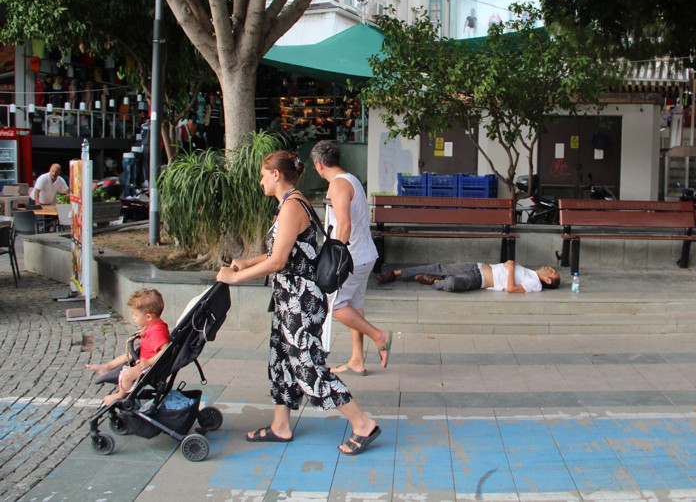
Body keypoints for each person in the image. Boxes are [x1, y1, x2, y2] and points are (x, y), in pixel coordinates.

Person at [216, 151, 381, 456]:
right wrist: (246, 263)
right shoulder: (289, 203)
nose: (261, 181)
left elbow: (278, 261)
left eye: (263, 175)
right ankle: (281, 425)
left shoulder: (292, 205)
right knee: (281, 359)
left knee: (307, 364)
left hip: (300, 300)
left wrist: (235, 278)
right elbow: (281, 251)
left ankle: (363, 423)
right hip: (288, 297)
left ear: (276, 175)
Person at [311, 140, 392, 377]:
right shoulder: (351, 179)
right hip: (364, 254)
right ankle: (357, 360)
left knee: (333, 305)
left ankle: (379, 336)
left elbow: (344, 224)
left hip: (352, 257)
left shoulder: (338, 184)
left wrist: (336, 257)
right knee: (354, 307)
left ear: (319, 165)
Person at [86, 289, 171, 406]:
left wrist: (149, 362)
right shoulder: (153, 325)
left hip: (151, 367)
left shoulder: (157, 331)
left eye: (136, 315)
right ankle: (106, 367)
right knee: (130, 354)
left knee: (127, 375)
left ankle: (120, 396)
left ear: (148, 317)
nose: (133, 317)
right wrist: (143, 333)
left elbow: (166, 349)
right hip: (144, 359)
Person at [376, 260, 561, 293]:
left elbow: (512, 289)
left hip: (479, 280)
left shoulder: (535, 284)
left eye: (552, 272)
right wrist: (514, 265)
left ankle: (436, 282)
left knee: (452, 284)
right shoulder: (529, 272)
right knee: (440, 267)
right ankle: (395, 273)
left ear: (548, 280)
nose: (550, 268)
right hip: (477, 266)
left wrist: (511, 268)